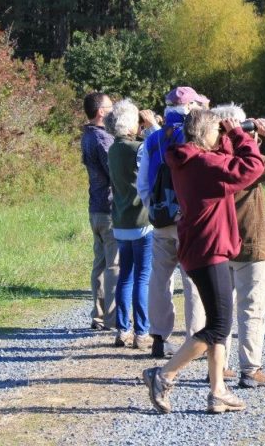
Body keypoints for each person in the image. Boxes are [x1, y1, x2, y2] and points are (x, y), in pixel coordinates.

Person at [142, 109, 264, 414]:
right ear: (207, 133)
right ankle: (163, 374)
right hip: (209, 250)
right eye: (217, 132)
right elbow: (251, 167)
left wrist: (226, 138)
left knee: (217, 324)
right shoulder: (205, 164)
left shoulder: (186, 158)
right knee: (219, 326)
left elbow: (220, 161)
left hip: (200, 248)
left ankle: (217, 391)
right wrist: (239, 135)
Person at [212, 104, 265, 388]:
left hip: (219, 244)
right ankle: (250, 369)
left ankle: (219, 367)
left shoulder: (210, 159)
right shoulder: (248, 163)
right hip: (250, 244)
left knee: (221, 310)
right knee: (252, 308)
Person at [136, 86, 209, 359]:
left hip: (161, 219)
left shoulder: (153, 138)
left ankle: (159, 336)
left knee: (160, 277)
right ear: (191, 108)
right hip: (188, 218)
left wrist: (153, 208)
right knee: (193, 279)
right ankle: (195, 339)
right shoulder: (194, 135)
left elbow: (143, 181)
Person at [106, 99, 154, 349]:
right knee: (143, 277)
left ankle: (123, 329)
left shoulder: (113, 149)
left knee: (126, 275)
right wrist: (153, 127)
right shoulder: (138, 148)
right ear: (129, 124)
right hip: (141, 220)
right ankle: (142, 331)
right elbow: (160, 156)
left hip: (120, 220)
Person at [81, 92, 119, 331]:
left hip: (95, 207)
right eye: (110, 107)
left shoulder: (87, 136)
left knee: (100, 263)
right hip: (108, 207)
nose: (113, 110)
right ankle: (113, 318)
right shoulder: (103, 139)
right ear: (101, 112)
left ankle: (98, 314)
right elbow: (114, 172)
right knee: (113, 264)